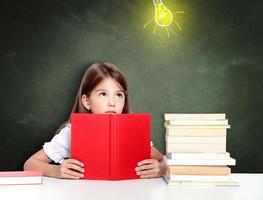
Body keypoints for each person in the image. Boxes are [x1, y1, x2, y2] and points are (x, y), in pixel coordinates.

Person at [24, 63, 167, 179]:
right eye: (103, 94)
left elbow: (164, 160)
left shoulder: (132, 133)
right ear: (86, 101)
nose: (112, 102)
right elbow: (30, 164)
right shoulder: (73, 132)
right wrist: (56, 171)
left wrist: (160, 169)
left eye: (119, 95)